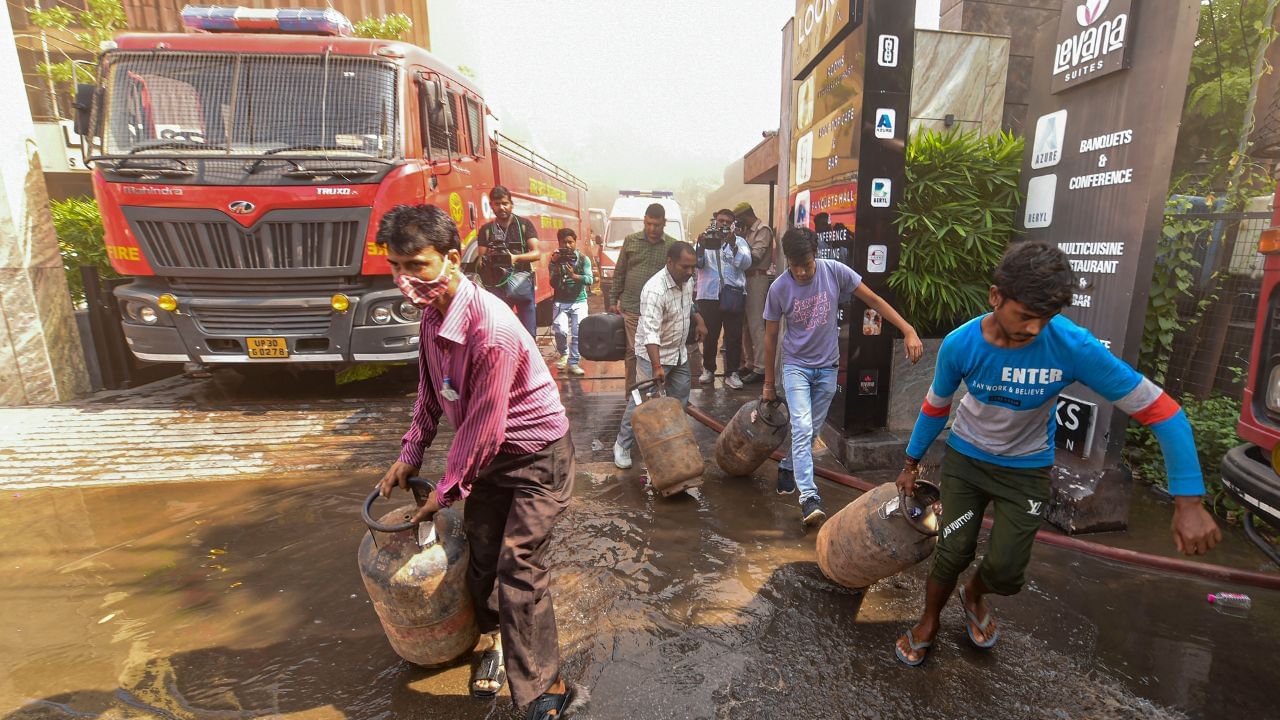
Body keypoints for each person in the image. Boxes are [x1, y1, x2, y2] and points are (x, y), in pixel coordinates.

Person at [892, 241, 1222, 667]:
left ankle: (974, 594)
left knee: (1009, 571)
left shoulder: (1072, 346)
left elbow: (1166, 413)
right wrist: (910, 463)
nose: (1034, 329)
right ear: (996, 297)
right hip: (967, 463)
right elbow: (936, 408)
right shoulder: (960, 345)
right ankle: (929, 620)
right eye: (1025, 315)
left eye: (1045, 319)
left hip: (1026, 469)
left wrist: (1189, 501)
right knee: (953, 549)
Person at [375, 204, 586, 719]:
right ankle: (492, 642)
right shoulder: (431, 317)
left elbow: (483, 431)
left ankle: (545, 690)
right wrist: (410, 454)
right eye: (396, 267)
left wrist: (444, 493)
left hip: (538, 459)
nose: (406, 279)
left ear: (451, 258)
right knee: (482, 554)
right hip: (490, 460)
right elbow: (429, 394)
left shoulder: (489, 328)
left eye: (417, 266)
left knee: (519, 566)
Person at [762, 227, 923, 525]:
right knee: (801, 427)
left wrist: (908, 329)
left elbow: (873, 299)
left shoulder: (835, 272)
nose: (800, 272)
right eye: (794, 265)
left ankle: (788, 465)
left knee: (810, 432)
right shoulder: (779, 289)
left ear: (816, 255)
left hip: (827, 368)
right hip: (795, 366)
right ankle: (809, 498)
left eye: (806, 265)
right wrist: (768, 384)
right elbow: (771, 336)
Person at [614, 241, 707, 470]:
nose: (689, 271)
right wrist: (656, 367)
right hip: (652, 356)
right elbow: (650, 333)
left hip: (678, 353)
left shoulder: (687, 280)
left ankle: (672, 445)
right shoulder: (654, 289)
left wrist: (699, 320)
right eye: (684, 267)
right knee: (640, 402)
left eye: (692, 267)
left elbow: (689, 305)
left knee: (679, 403)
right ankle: (622, 444)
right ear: (670, 263)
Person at [608, 203, 678, 395]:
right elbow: (620, 272)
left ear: (664, 223)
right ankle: (633, 395)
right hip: (632, 307)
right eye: (648, 224)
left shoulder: (672, 246)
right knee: (633, 352)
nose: (652, 229)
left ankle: (656, 392)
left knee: (657, 352)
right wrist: (613, 300)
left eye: (656, 225)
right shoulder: (631, 241)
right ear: (644, 221)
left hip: (659, 310)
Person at [694, 208, 752, 389]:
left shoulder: (740, 241)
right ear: (715, 221)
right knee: (709, 335)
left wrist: (733, 246)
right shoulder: (707, 239)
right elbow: (698, 264)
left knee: (734, 336)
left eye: (728, 221)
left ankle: (732, 373)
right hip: (709, 295)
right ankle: (709, 370)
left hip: (732, 294)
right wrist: (701, 246)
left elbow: (746, 264)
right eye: (721, 221)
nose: (724, 224)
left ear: (733, 223)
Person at [477, 186, 541, 336]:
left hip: (522, 285)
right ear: (491, 205)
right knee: (500, 333)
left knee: (529, 334)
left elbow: (537, 253)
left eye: (505, 203)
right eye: (497, 204)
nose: (502, 207)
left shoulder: (525, 225)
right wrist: (490, 257)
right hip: (497, 287)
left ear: (511, 204)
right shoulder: (486, 230)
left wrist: (515, 258)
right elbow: (481, 260)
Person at [735, 201, 774, 385]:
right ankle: (750, 363)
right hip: (745, 278)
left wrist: (739, 243)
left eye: (739, 219)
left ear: (745, 215)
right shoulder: (748, 232)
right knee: (745, 324)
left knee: (756, 323)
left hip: (757, 278)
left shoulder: (762, 230)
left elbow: (755, 256)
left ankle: (761, 367)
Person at [550, 227, 593, 376]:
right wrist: (555, 266)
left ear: (575, 242)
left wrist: (574, 276)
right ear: (559, 243)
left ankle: (574, 362)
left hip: (579, 301)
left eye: (570, 242)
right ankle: (564, 354)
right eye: (564, 242)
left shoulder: (583, 259)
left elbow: (589, 279)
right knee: (560, 330)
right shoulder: (555, 260)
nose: (567, 245)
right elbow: (553, 284)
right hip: (560, 301)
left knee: (578, 333)